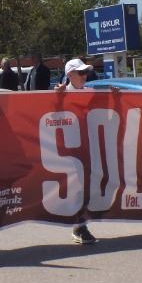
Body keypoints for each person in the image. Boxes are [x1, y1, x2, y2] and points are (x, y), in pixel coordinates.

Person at [55, 59, 102, 245]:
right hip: (70, 150)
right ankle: (79, 226)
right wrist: (57, 97)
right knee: (78, 188)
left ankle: (80, 224)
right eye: (80, 73)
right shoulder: (60, 94)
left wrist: (115, 96)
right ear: (69, 75)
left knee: (89, 186)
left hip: (90, 147)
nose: (84, 76)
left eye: (85, 72)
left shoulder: (90, 92)